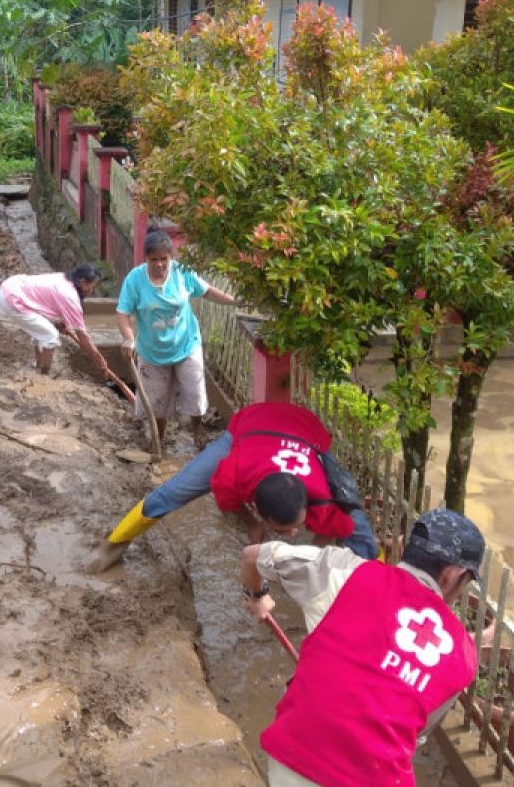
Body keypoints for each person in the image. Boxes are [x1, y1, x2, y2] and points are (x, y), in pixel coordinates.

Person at [241, 509, 485, 787]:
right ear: (453, 575)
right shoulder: (464, 655)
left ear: (404, 547)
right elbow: (415, 733)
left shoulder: (345, 571)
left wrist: (257, 596)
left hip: (294, 760)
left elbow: (253, 555)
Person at [91, 401, 379, 571]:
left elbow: (335, 529)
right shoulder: (235, 473)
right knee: (175, 492)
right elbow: (226, 497)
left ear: (307, 503)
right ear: (259, 510)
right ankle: (113, 544)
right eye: (284, 530)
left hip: (305, 430)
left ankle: (381, 582)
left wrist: (309, 560)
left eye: (296, 526)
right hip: (253, 425)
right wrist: (251, 525)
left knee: (361, 533)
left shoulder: (322, 498)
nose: (293, 534)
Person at [118, 228, 236, 450]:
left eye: (164, 259)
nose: (160, 264)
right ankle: (158, 440)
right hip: (152, 352)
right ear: (146, 259)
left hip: (186, 345)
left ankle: (198, 432)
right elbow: (123, 312)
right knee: (156, 402)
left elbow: (207, 291)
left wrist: (234, 301)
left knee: (195, 394)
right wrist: (129, 338)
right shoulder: (135, 280)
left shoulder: (183, 273)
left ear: (171, 257)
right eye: (154, 260)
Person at [0, 264, 109, 377]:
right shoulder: (70, 297)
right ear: (82, 282)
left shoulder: (64, 278)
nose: (92, 291)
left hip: (11, 286)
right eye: (92, 286)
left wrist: (58, 323)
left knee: (42, 331)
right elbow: (83, 335)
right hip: (13, 298)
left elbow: (48, 304)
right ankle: (43, 376)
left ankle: (38, 367)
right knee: (50, 336)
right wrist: (98, 359)